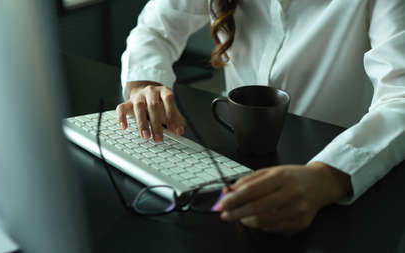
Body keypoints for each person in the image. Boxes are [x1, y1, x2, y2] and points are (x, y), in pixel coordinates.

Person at [115, 0, 405, 233]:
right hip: (230, 167)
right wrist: (145, 84)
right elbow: (154, 29)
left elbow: (401, 97)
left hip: (329, 170)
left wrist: (328, 177)